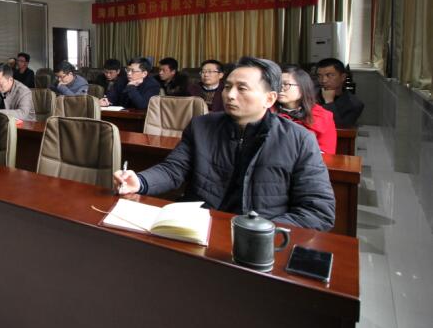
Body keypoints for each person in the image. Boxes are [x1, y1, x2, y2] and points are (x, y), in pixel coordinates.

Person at [113, 56, 335, 230]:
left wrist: (263, 231)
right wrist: (140, 181)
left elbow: (318, 211)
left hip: (260, 237)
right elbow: (174, 169)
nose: (230, 95)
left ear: (270, 98)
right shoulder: (202, 126)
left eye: (242, 88)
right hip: (199, 224)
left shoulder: (299, 139)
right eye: (228, 87)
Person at [277, 65, 337, 155]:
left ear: (302, 88)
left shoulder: (322, 116)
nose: (280, 89)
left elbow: (326, 153)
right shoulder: (265, 112)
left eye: (286, 84)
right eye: (277, 84)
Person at [315, 58, 364, 127]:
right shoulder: (310, 96)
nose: (323, 80)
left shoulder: (354, 104)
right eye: (319, 76)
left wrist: (329, 102)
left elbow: (340, 128)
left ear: (343, 77)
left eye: (330, 75)